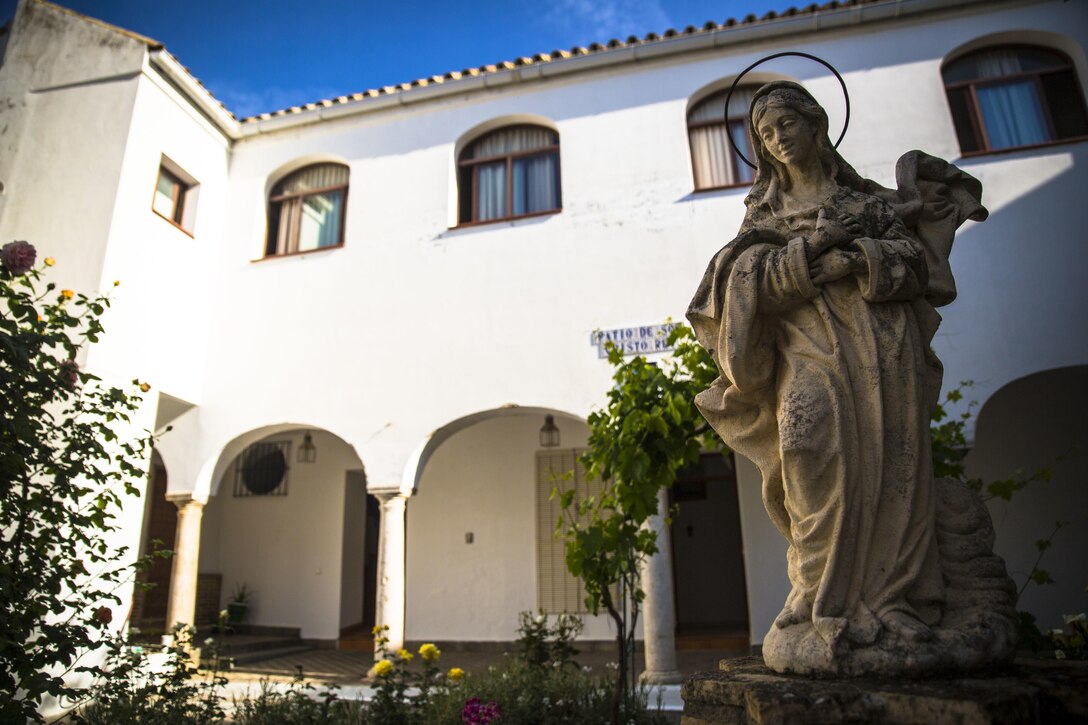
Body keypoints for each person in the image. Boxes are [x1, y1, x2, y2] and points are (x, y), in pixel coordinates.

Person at [686, 81, 979, 665]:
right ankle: (816, 591)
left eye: (787, 124)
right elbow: (745, 284)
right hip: (806, 350)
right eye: (766, 134)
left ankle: (893, 599)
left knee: (892, 460)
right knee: (806, 450)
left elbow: (913, 268)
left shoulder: (866, 203)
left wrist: (856, 257)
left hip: (878, 348)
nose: (778, 138)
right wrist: (808, 262)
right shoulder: (764, 215)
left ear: (816, 126)